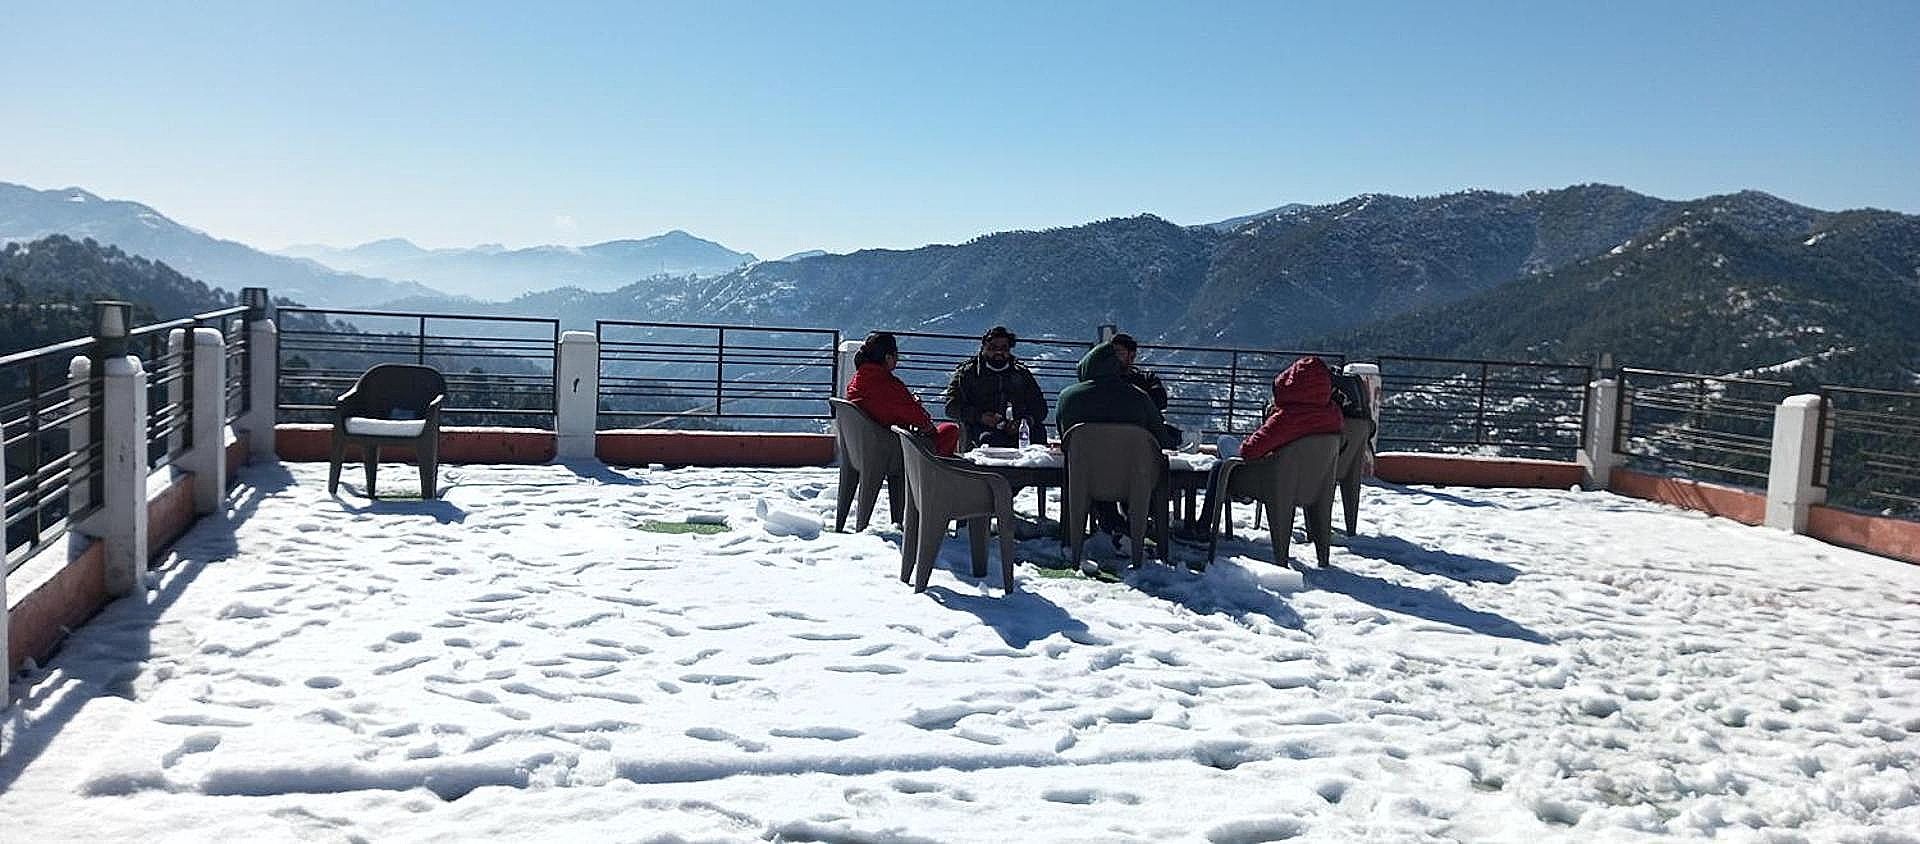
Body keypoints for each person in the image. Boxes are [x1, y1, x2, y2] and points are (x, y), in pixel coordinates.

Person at [1184, 356, 1346, 539]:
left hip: (1275, 481)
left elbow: (1249, 451)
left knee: (1221, 457)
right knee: (1225, 451)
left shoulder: (1287, 418)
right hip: (1314, 485)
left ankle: (1203, 528)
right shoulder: (1333, 415)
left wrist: (1271, 420)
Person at [1056, 340, 1180, 545]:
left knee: (1092, 464)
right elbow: (1161, 440)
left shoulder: (1067, 398)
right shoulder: (1138, 397)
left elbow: (1066, 439)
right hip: (1135, 479)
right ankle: (1145, 526)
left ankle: (1106, 525)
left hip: (1085, 479)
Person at [846, 331, 961, 456]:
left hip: (865, 444)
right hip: (892, 448)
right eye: (896, 355)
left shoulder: (858, 380)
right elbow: (923, 423)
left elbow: (886, 406)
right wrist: (914, 405)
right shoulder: (888, 385)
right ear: (888, 357)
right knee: (950, 430)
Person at [942, 325, 1049, 448]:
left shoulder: (1021, 373)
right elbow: (951, 407)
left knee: (1038, 435)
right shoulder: (967, 373)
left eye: (1004, 348)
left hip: (1017, 428)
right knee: (988, 440)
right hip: (981, 428)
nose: (999, 352)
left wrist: (1024, 422)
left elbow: (1040, 407)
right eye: (993, 348)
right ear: (983, 348)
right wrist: (980, 417)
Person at [1110, 332, 1182, 446]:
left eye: (1119, 353)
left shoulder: (1147, 379)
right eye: (1111, 353)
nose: (1114, 358)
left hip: (1142, 430)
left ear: (1132, 356)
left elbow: (1161, 401)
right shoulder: (1104, 380)